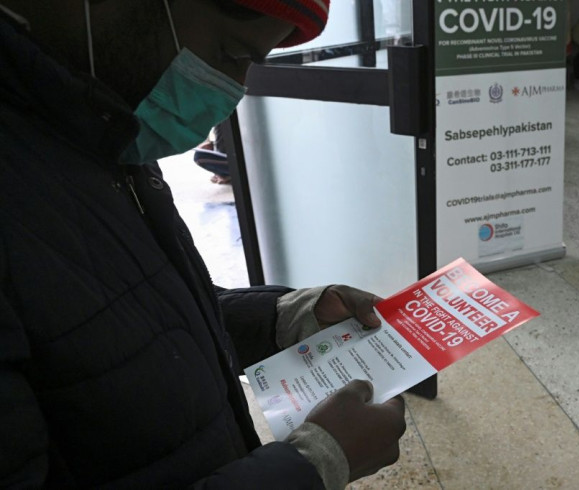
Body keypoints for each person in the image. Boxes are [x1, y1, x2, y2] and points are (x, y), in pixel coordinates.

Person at [0, 1, 407, 488]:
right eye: (231, 52)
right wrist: (312, 467)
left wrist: (285, 317)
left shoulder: (104, 134)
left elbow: (137, 314)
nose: (233, 90)